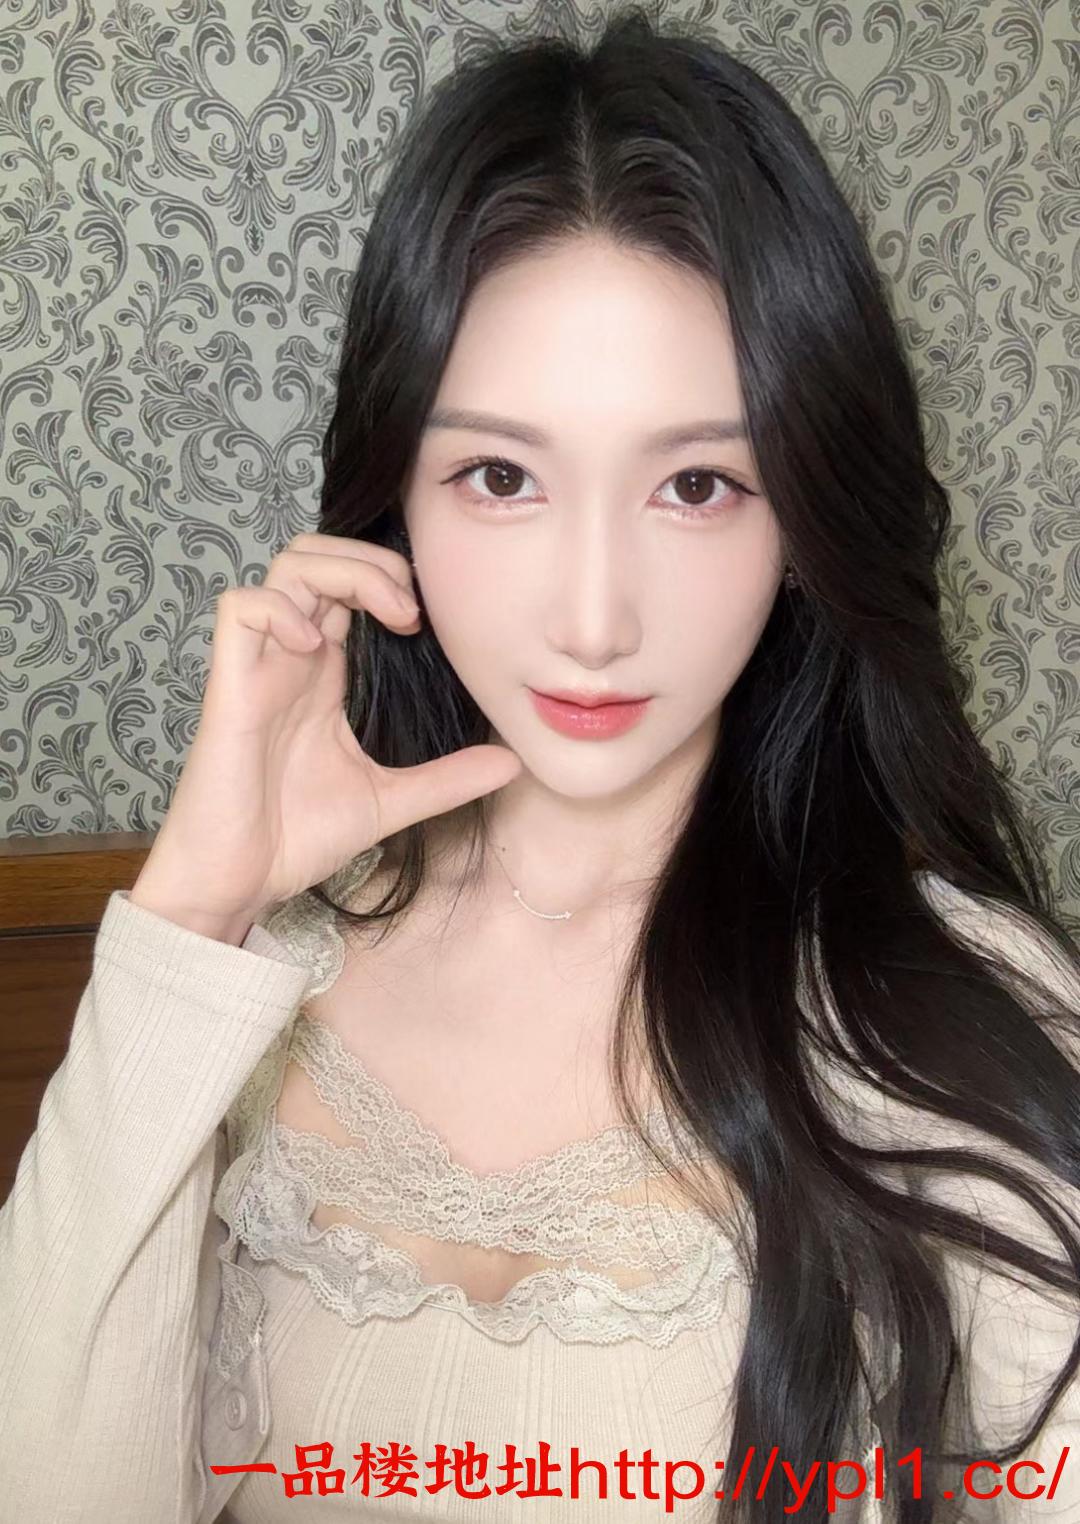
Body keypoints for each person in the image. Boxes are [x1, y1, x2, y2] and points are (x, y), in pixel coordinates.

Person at [3, 5, 1080, 1521]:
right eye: (500, 475)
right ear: (393, 499)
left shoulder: (953, 1016)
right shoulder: (253, 980)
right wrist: (194, 911)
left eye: (698, 484)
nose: (592, 619)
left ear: (805, 518)